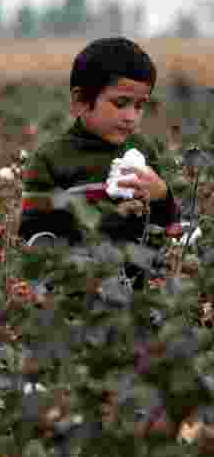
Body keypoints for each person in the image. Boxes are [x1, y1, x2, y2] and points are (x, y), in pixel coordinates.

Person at [18, 37, 178, 282]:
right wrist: (110, 220)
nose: (130, 117)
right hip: (76, 292)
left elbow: (169, 230)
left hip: (137, 296)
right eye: (120, 103)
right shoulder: (51, 159)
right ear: (81, 101)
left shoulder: (144, 150)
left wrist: (162, 195)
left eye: (139, 106)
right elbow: (34, 235)